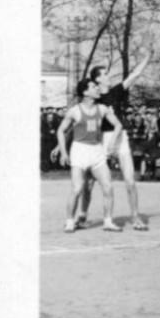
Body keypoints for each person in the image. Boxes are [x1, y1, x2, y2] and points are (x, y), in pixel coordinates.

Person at [79, 52, 152, 231]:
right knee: (89, 183)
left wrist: (148, 56)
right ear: (97, 80)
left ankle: (135, 217)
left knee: (130, 181)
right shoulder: (93, 98)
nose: (108, 76)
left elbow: (134, 75)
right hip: (101, 140)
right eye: (104, 74)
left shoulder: (116, 91)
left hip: (120, 137)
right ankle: (82, 216)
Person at [56, 78, 123, 232]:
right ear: (85, 92)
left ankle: (108, 221)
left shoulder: (103, 109)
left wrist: (112, 142)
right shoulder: (75, 111)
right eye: (94, 87)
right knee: (77, 188)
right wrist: (63, 152)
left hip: (97, 152)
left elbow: (118, 125)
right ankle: (70, 221)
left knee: (108, 187)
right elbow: (61, 130)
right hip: (79, 151)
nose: (98, 88)